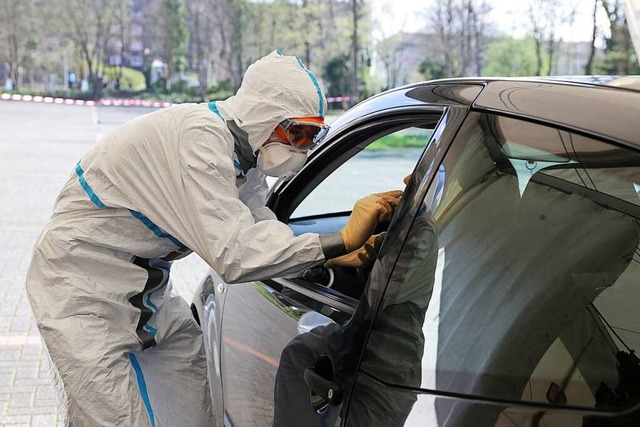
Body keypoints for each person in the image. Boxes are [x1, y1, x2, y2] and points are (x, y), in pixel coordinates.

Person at [25, 50, 401, 426]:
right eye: (296, 133)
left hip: (143, 291)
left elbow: (260, 229)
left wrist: (329, 259)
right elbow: (235, 256)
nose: (301, 149)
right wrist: (341, 238)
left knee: (188, 378)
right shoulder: (199, 140)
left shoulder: (245, 158)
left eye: (310, 137)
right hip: (79, 288)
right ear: (264, 114)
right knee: (114, 416)